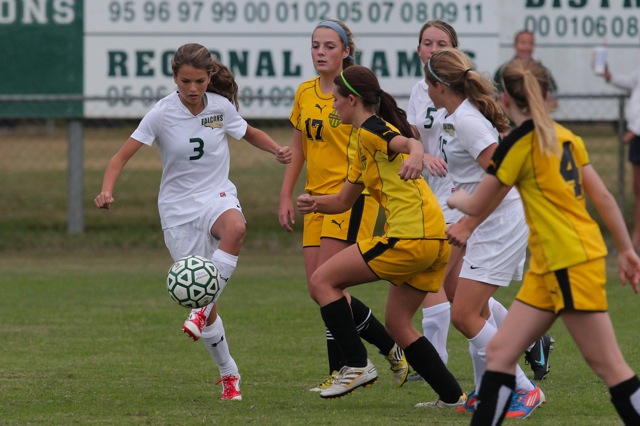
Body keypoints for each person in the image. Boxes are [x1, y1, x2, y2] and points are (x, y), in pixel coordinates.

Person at [447, 58, 640, 425]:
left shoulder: (518, 144)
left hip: (569, 262)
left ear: (504, 99)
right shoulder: (563, 135)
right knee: (501, 353)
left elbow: (475, 203)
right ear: (547, 95)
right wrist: (627, 249)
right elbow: (604, 199)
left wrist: (455, 199)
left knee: (610, 366)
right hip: (549, 266)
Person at [94, 43, 292, 401]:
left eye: (199, 81)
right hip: (177, 210)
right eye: (185, 81)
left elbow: (248, 132)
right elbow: (118, 158)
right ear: (175, 78)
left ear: (209, 78)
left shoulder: (219, 107)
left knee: (236, 228)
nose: (192, 88)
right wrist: (106, 190)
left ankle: (198, 312)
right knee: (207, 303)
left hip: (216, 195)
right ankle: (228, 372)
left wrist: (276, 149)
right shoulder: (161, 113)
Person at [296, 64, 464, 405]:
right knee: (399, 325)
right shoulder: (361, 140)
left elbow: (409, 143)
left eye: (336, 100)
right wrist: (315, 203)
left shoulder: (373, 129)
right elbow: (344, 200)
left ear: (353, 100)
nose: (332, 106)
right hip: (433, 237)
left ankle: (357, 364)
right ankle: (452, 397)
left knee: (322, 282)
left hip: (411, 236)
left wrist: (417, 155)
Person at [406, 21, 553, 387]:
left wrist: (468, 219)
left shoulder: (467, 121)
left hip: (498, 222)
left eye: (429, 83)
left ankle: (523, 388)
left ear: (440, 86)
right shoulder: (453, 116)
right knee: (471, 309)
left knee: (466, 314)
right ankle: (485, 389)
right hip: (482, 219)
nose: (426, 90)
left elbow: (502, 177)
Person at [278, 20, 408, 392]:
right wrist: (286, 194)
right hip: (315, 200)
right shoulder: (304, 92)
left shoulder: (353, 95)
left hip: (349, 200)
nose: (320, 52)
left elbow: (378, 139)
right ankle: (387, 350)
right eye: (315, 45)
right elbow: (300, 147)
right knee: (317, 287)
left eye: (329, 46)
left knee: (328, 284)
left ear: (346, 51)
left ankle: (349, 368)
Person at [602, 62, 640, 251]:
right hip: (637, 138)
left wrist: (634, 130)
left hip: (637, 134)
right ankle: (637, 238)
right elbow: (631, 82)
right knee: (638, 189)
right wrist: (610, 76)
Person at [494, 30, 558, 112]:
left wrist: (534, 111)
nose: (527, 47)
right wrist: (514, 111)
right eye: (523, 43)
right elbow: (494, 100)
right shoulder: (503, 71)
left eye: (530, 43)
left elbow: (553, 102)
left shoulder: (542, 71)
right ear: (515, 45)